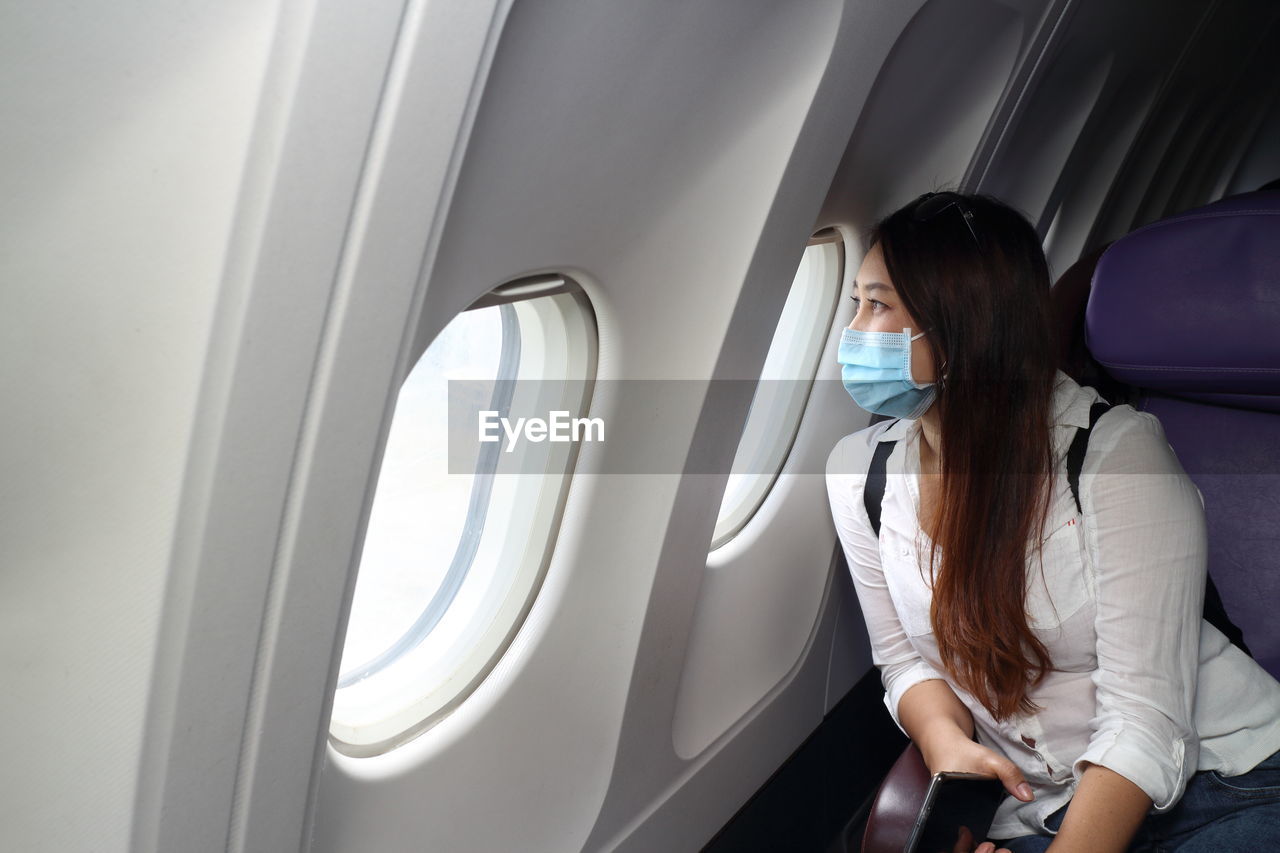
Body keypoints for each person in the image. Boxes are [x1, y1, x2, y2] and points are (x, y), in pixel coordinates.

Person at [824, 190, 1280, 852]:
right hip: (1040, 808)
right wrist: (950, 745)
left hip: (1221, 783)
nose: (855, 333)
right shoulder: (859, 475)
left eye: (879, 305)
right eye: (854, 305)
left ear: (962, 327)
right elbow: (900, 661)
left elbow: (1143, 720)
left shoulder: (1118, 455)